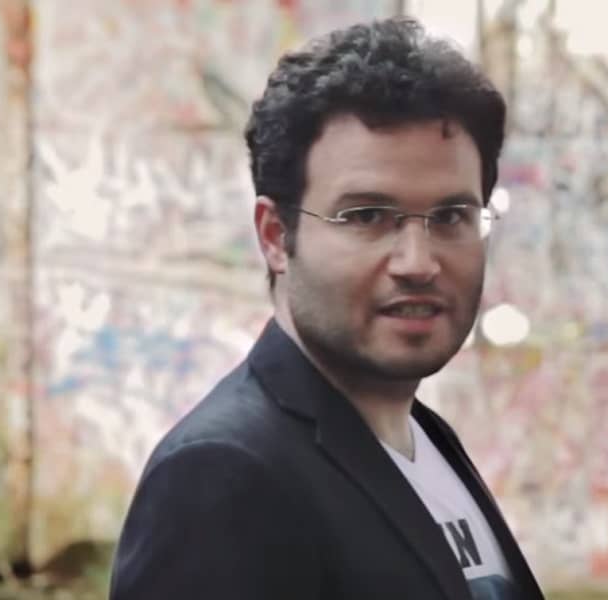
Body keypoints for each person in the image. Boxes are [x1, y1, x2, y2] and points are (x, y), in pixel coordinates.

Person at [109, 16, 543, 600]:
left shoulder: (425, 439)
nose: (418, 262)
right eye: (366, 216)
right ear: (275, 236)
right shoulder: (222, 476)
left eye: (450, 217)